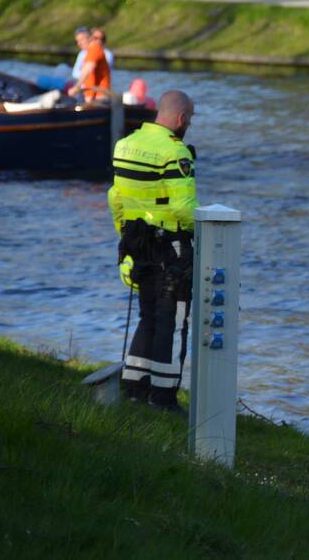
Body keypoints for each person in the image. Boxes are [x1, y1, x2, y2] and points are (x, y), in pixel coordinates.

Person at [109, 90, 198, 411]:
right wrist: (206, 232)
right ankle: (163, 398)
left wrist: (125, 237)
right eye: (190, 120)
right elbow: (184, 209)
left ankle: (134, 389)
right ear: (181, 118)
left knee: (147, 316)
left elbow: (115, 198)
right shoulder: (175, 153)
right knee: (172, 321)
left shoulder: (125, 145)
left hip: (136, 242)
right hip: (169, 247)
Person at [68, 27, 111, 103]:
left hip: (99, 99)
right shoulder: (88, 52)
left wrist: (76, 87)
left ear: (89, 38)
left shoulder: (95, 49)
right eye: (77, 41)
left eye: (81, 40)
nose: (79, 43)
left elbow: (88, 69)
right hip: (90, 98)